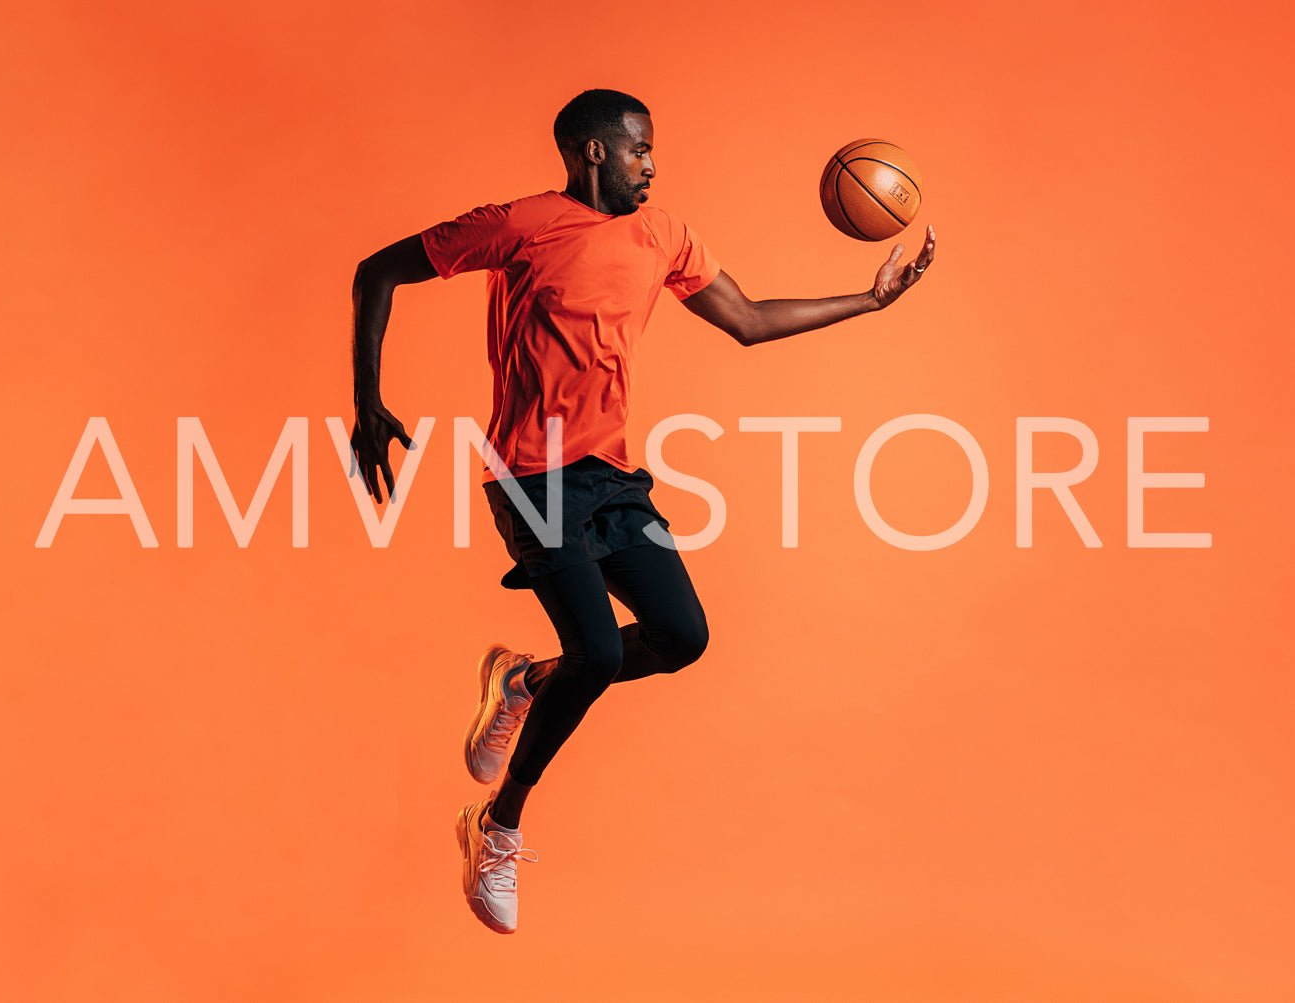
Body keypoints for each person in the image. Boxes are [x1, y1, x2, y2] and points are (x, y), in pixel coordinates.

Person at [350, 89, 935, 934]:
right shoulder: (520, 223)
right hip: (529, 475)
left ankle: (522, 680)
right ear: (594, 153)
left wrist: (870, 300)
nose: (651, 164)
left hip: (612, 477)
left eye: (651, 150)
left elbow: (746, 320)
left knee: (680, 635)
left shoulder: (664, 234)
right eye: (637, 151)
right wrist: (366, 403)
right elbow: (377, 271)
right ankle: (497, 824)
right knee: (592, 648)